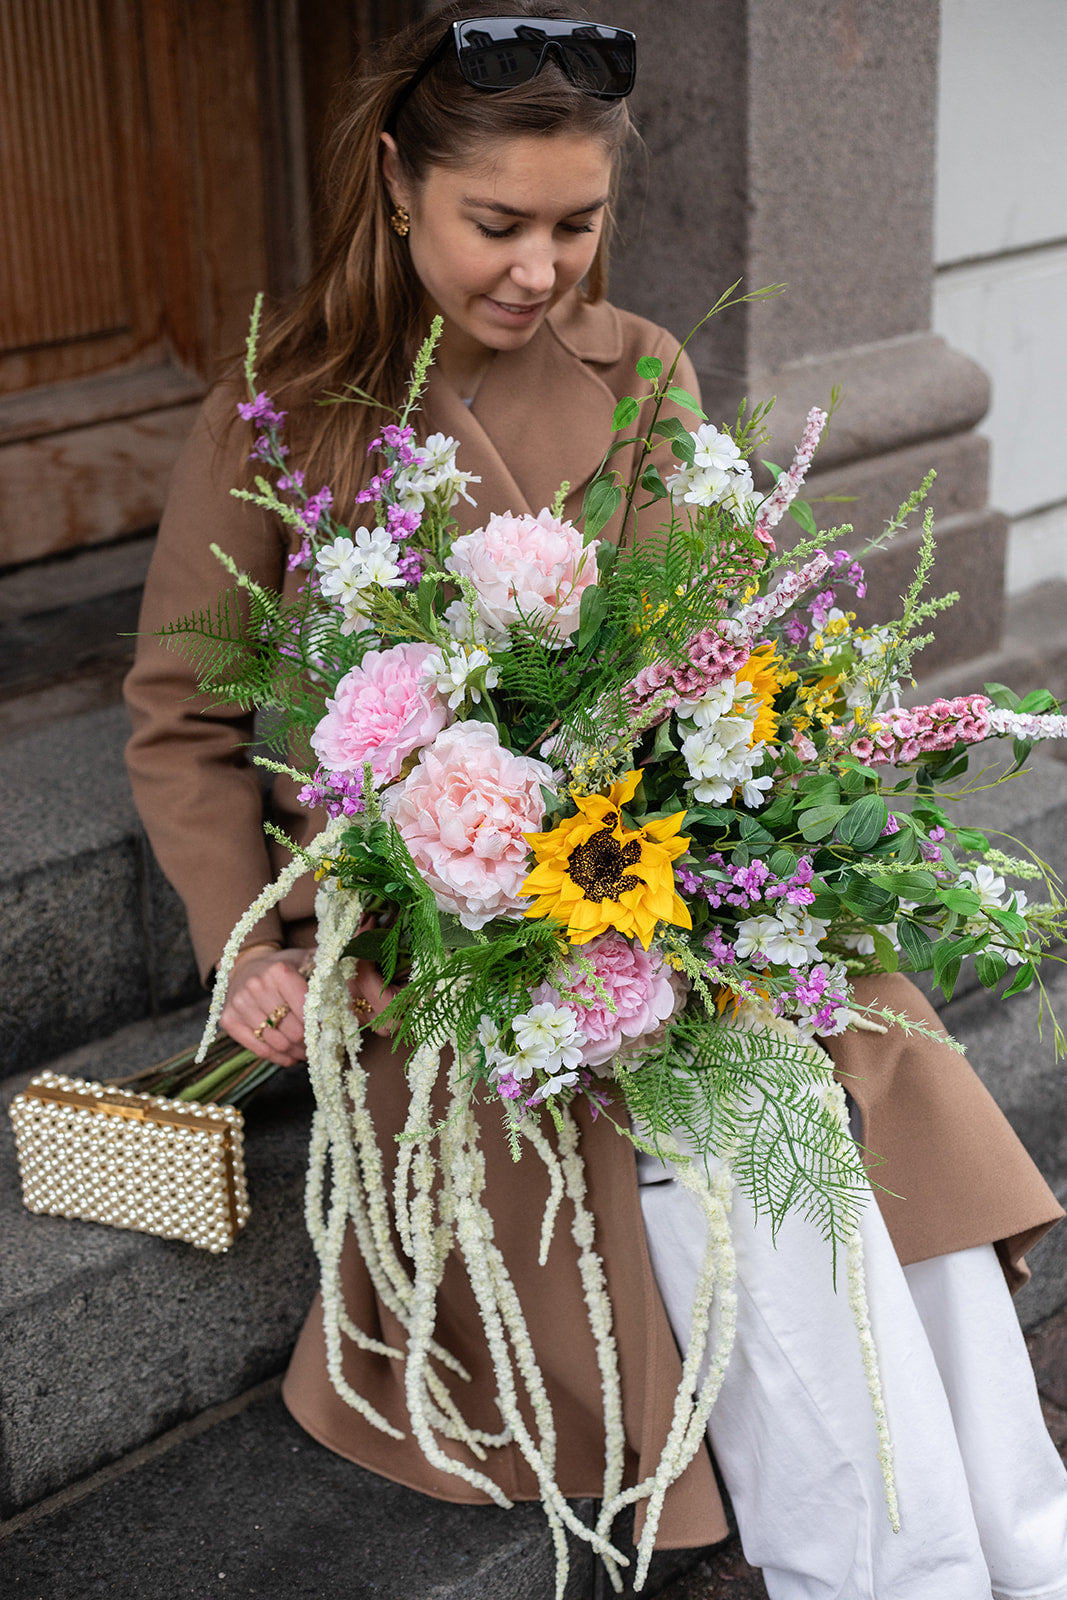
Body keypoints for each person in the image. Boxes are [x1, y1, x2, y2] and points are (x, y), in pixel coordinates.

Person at [124, 6, 1067, 1596]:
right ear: (396, 184)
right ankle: (891, 1568)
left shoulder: (643, 375)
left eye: (579, 223)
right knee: (727, 1145)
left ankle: (1016, 1545)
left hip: (660, 875)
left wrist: (746, 820)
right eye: (498, 223)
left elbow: (721, 637)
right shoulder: (287, 408)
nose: (541, 267)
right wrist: (261, 944)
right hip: (430, 934)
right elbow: (182, 720)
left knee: (823, 1092)